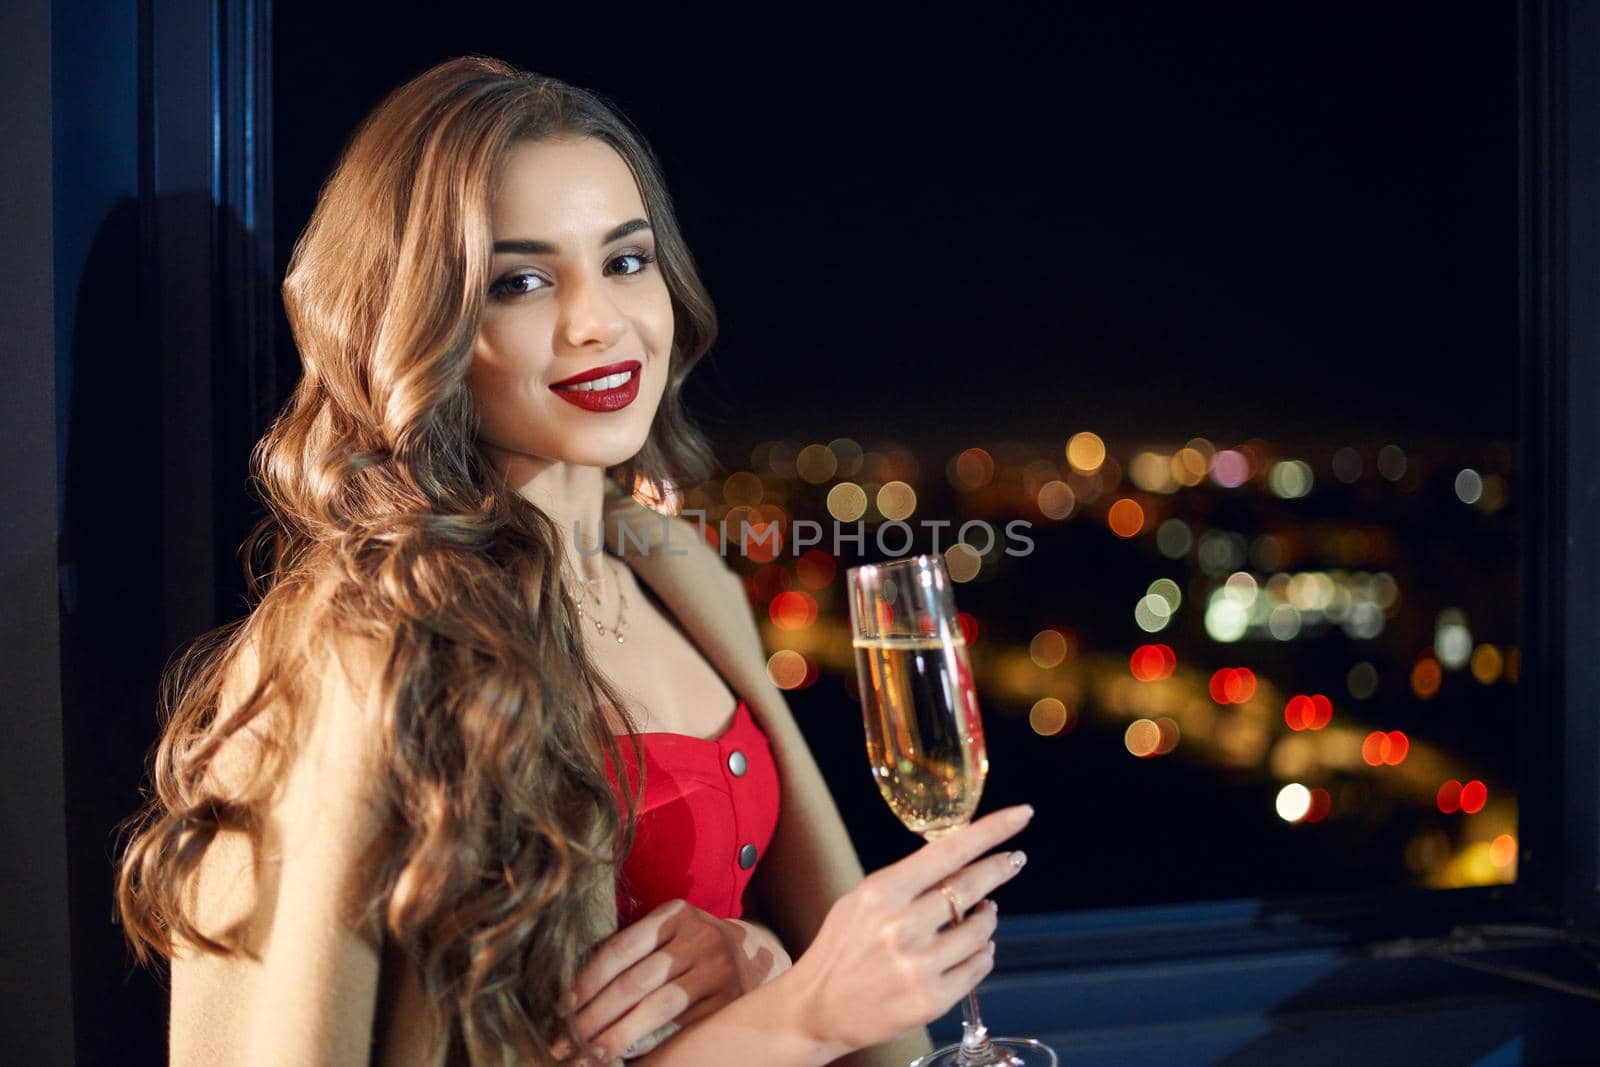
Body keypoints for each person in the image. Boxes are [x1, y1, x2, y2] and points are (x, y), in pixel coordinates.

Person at [115, 55, 1032, 1066]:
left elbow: (745, 971)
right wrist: (802, 1014)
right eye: (521, 280)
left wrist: (762, 963)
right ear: (421, 321)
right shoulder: (360, 648)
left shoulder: (675, 569)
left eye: (625, 260)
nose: (597, 320)